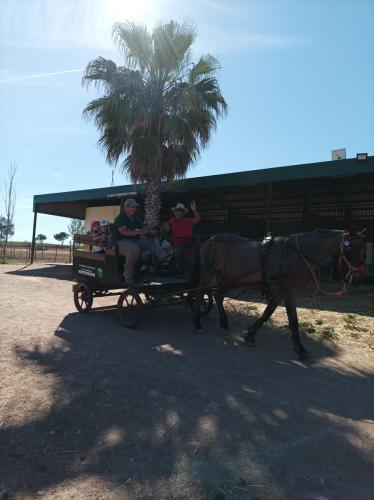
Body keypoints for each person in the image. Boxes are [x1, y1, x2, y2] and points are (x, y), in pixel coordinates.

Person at [111, 198, 166, 285]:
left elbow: (141, 230)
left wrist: (149, 231)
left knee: (151, 241)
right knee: (133, 249)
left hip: (133, 241)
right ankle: (128, 276)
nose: (134, 209)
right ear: (125, 208)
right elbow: (124, 232)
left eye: (135, 207)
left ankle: (164, 263)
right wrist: (139, 232)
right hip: (119, 243)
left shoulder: (135, 218)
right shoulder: (121, 217)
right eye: (132, 207)